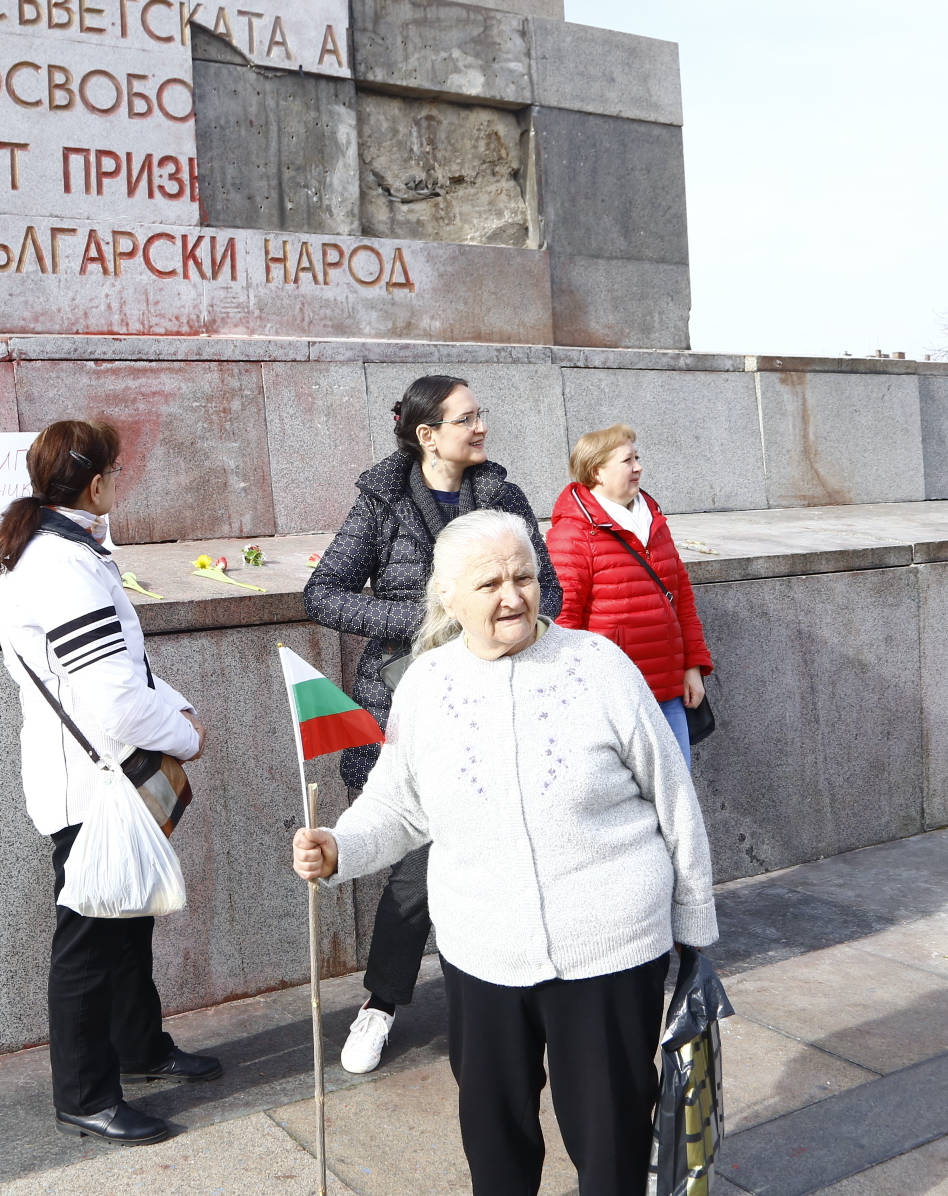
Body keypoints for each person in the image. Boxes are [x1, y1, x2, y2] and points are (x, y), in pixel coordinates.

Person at [291, 510, 717, 1196]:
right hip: (483, 951)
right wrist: (338, 846)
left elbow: (675, 798)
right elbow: (398, 805)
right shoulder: (426, 686)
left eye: (523, 577)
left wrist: (695, 929)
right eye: (489, 583)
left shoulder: (598, 665)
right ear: (449, 599)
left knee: (611, 1145)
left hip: (606, 948)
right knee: (495, 1145)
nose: (513, 596)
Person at [303, 376, 561, 1074]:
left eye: (481, 414)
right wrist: (423, 623)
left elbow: (552, 589)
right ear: (426, 434)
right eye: (466, 418)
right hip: (407, 704)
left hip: (500, 701)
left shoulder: (502, 496)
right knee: (417, 870)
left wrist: (503, 624)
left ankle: (519, 990)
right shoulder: (382, 500)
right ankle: (381, 1004)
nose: (480, 427)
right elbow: (321, 593)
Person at [0, 420, 222, 1147]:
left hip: (97, 776)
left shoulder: (63, 550)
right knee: (91, 939)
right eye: (115, 474)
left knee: (125, 922)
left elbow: (122, 666)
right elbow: (113, 699)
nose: (119, 485)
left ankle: (141, 1050)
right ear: (95, 484)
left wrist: (172, 702)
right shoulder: (61, 564)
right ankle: (85, 1094)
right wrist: (185, 733)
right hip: (90, 785)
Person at [546, 424, 713, 769]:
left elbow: (681, 598)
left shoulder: (653, 520)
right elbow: (562, 621)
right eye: (627, 460)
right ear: (597, 472)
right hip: (614, 697)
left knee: (677, 795)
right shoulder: (572, 534)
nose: (638, 467)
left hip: (668, 693)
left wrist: (692, 666)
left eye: (637, 458)